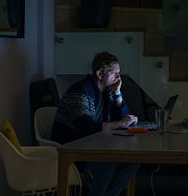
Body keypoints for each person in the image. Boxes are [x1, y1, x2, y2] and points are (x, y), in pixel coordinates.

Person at [51, 51, 139, 196]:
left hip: (94, 145)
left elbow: (122, 117)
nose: (118, 77)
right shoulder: (81, 91)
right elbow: (86, 128)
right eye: (113, 73)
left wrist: (117, 93)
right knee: (107, 162)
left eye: (119, 73)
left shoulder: (107, 91)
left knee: (132, 161)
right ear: (99, 74)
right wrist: (119, 124)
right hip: (72, 147)